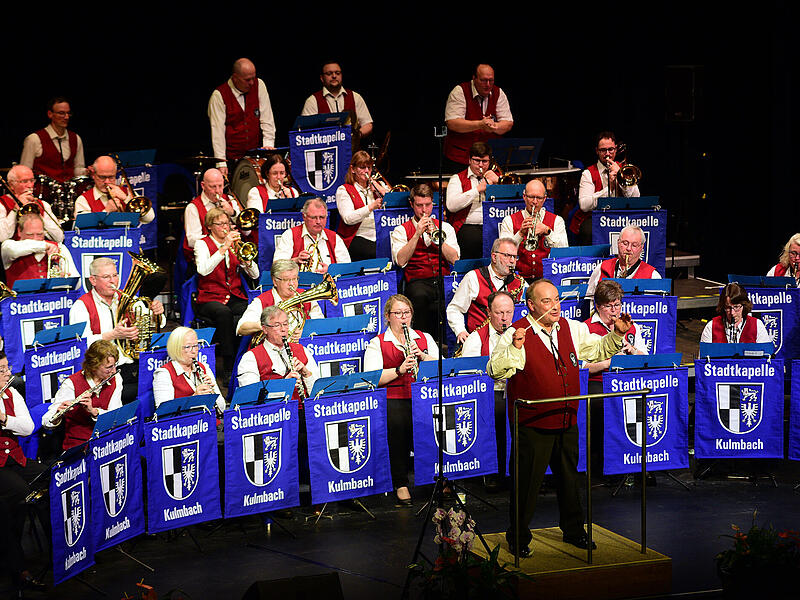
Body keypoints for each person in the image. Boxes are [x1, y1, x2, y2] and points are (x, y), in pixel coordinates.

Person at [489, 279, 633, 557]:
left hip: (567, 420)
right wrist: (516, 349)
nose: (554, 306)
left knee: (570, 480)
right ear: (531, 305)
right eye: (546, 301)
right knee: (527, 485)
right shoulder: (516, 333)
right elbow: (495, 371)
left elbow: (598, 351)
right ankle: (518, 537)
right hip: (532, 424)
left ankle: (574, 530)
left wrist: (616, 335)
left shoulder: (571, 328)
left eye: (556, 299)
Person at [363, 294, 438, 506]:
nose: (403, 318)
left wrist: (422, 356)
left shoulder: (424, 338)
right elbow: (372, 378)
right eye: (398, 313)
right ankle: (401, 482)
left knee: (434, 422)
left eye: (407, 313)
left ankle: (437, 476)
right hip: (392, 396)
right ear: (388, 317)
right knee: (396, 422)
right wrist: (398, 369)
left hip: (421, 395)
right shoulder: (377, 343)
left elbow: (441, 365)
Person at [68, 257, 165, 404]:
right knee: (143, 392)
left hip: (133, 363)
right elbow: (81, 344)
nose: (113, 281)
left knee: (161, 384)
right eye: (106, 277)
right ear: (93, 280)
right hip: (104, 371)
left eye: (115, 275)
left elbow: (157, 324)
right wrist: (113, 334)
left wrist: (157, 313)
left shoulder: (127, 299)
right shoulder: (81, 306)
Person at [0, 350, 50, 592]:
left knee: (51, 477)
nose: (8, 373)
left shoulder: (11, 394)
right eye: (2, 370)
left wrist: (3, 418)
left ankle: (58, 550)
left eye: (7, 367)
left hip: (14, 459)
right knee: (19, 494)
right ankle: (18, 568)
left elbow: (28, 427)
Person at [459, 291, 516, 491]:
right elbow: (467, 378)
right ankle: (496, 471)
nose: (504, 318)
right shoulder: (475, 339)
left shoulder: (520, 333)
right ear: (488, 313)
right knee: (500, 410)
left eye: (509, 312)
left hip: (516, 390)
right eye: (499, 312)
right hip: (489, 393)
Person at [195, 208, 259, 381]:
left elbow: (255, 275)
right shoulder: (202, 244)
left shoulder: (235, 244)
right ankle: (229, 365)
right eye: (220, 224)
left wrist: (247, 261)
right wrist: (223, 248)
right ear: (210, 226)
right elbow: (203, 270)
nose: (226, 227)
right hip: (209, 298)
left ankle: (248, 361)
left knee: (250, 311)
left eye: (227, 223)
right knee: (225, 314)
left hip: (234, 295)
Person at [391, 184, 459, 335]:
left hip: (443, 278)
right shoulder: (401, 230)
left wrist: (436, 237)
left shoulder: (445, 227)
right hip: (418, 281)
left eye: (428, 205)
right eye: (419, 205)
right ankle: (422, 340)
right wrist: (416, 234)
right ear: (412, 204)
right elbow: (400, 261)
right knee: (419, 296)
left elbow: (455, 259)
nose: (424, 210)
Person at [43, 340, 123, 450]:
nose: (113, 371)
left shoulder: (116, 379)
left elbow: (116, 416)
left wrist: (94, 411)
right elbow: (46, 422)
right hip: (79, 447)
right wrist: (58, 415)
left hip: (106, 442)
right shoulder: (71, 384)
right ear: (94, 366)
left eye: (115, 365)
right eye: (109, 367)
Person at [446, 237, 524, 344]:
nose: (512, 261)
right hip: (480, 340)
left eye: (514, 257)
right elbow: (454, 308)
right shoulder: (473, 277)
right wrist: (460, 331)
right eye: (507, 255)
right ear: (494, 257)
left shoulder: (519, 282)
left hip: (509, 339)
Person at [571, 131, 641, 245]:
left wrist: (620, 178)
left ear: (616, 149)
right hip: (595, 216)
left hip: (620, 216)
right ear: (597, 151)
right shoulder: (588, 173)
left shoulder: (624, 169)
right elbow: (584, 205)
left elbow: (636, 198)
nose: (607, 154)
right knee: (588, 231)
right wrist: (609, 188)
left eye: (610, 149)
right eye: (603, 150)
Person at [208, 58, 276, 173]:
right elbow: (217, 132)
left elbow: (267, 119)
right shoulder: (219, 95)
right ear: (235, 77)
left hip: (256, 157)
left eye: (253, 78)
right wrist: (221, 162)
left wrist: (268, 148)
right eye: (247, 80)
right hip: (232, 159)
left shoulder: (259, 86)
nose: (252, 83)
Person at [237, 306, 319, 399]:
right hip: (273, 412)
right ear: (264, 329)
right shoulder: (251, 358)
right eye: (277, 325)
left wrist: (306, 374)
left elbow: (319, 392)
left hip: (303, 410)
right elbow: (250, 396)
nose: (283, 329)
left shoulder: (301, 350)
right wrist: (283, 385)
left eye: (285, 324)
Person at [443, 64, 513, 172]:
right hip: (460, 158)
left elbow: (508, 123)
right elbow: (452, 123)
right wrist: (480, 124)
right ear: (474, 78)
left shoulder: (498, 93)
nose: (488, 84)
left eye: (491, 80)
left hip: (489, 160)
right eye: (484, 80)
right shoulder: (460, 91)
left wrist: (495, 126)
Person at [236, 259, 324, 340]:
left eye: (294, 279)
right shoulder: (261, 301)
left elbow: (320, 325)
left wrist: (306, 332)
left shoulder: (305, 296)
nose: (292, 284)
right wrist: (269, 325)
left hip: (305, 348)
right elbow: (241, 328)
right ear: (275, 281)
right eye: (286, 280)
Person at [499, 179, 568, 281]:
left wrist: (547, 232)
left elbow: (564, 251)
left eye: (539, 198)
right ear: (524, 196)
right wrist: (520, 233)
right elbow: (503, 254)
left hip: (547, 279)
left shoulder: (557, 220)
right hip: (517, 279)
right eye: (531, 197)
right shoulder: (509, 220)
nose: (534, 202)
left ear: (544, 198)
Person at [445, 141, 499, 259]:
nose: (480, 165)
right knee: (471, 238)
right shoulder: (457, 178)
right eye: (476, 161)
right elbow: (451, 205)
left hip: (492, 227)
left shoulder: (494, 177)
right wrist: (478, 189)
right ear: (469, 160)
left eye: (484, 161)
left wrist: (498, 185)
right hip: (467, 228)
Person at [153, 327, 224, 414]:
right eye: (188, 347)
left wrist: (213, 392)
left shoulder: (203, 367)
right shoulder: (164, 373)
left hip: (207, 423)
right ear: (176, 348)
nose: (194, 351)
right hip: (181, 426)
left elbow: (222, 408)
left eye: (195, 345)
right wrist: (195, 398)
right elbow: (164, 413)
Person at [301, 61, 374, 144]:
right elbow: (305, 130)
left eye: (337, 73)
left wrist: (356, 136)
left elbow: (368, 124)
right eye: (329, 73)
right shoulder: (312, 101)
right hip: (324, 151)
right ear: (322, 78)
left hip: (352, 152)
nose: (334, 76)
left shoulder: (355, 97)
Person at [335, 151, 388, 261]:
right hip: (357, 236)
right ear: (353, 169)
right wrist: (370, 207)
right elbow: (348, 219)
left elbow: (393, 205)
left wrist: (382, 190)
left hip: (379, 235)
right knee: (375, 252)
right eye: (362, 167)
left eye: (369, 167)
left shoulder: (377, 187)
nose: (367, 171)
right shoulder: (344, 190)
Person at [273, 197, 350, 274]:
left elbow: (347, 268)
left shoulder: (334, 237)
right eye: (313, 217)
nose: (318, 221)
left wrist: (331, 271)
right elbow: (276, 266)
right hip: (300, 284)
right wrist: (295, 261)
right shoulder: (290, 235)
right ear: (304, 217)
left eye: (322, 217)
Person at [1, 213, 78, 287]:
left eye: (39, 234)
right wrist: (45, 245)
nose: (35, 239)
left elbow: (77, 283)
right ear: (19, 232)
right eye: (30, 235)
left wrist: (63, 281)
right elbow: (13, 250)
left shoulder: (60, 248)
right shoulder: (8, 246)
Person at [20, 96, 86, 182]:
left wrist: (88, 171)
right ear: (50, 114)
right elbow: (24, 172)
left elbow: (77, 170)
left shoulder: (76, 138)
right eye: (61, 113)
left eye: (68, 113)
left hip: (69, 192)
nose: (66, 117)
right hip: (43, 192)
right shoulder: (34, 139)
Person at [73, 155, 155, 223]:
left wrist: (126, 199)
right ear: (93, 175)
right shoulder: (83, 200)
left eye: (111, 177)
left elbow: (149, 218)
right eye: (102, 177)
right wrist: (106, 211)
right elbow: (83, 227)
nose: (107, 182)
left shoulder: (126, 192)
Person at [585, 225, 661, 296]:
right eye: (625, 243)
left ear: (641, 247)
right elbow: (589, 298)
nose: (628, 248)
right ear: (618, 243)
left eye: (634, 245)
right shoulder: (601, 268)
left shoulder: (653, 276)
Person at [183, 168, 238, 262]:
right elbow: (192, 241)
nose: (218, 191)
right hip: (207, 258)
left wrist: (232, 213)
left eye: (220, 186)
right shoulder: (193, 207)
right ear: (203, 186)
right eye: (213, 187)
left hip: (232, 258)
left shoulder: (229, 199)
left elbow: (247, 232)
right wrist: (218, 236)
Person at [0, 164, 63, 243]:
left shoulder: (43, 204)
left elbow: (59, 238)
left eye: (32, 180)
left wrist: (37, 212)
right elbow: (2, 237)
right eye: (24, 181)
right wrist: (15, 210)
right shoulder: (2, 203)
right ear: (11, 184)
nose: (30, 185)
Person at [699, 283, 771, 344]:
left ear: (744, 305)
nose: (732, 313)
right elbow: (703, 358)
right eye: (728, 307)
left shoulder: (757, 325)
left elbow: (766, 357)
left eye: (736, 307)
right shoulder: (711, 327)